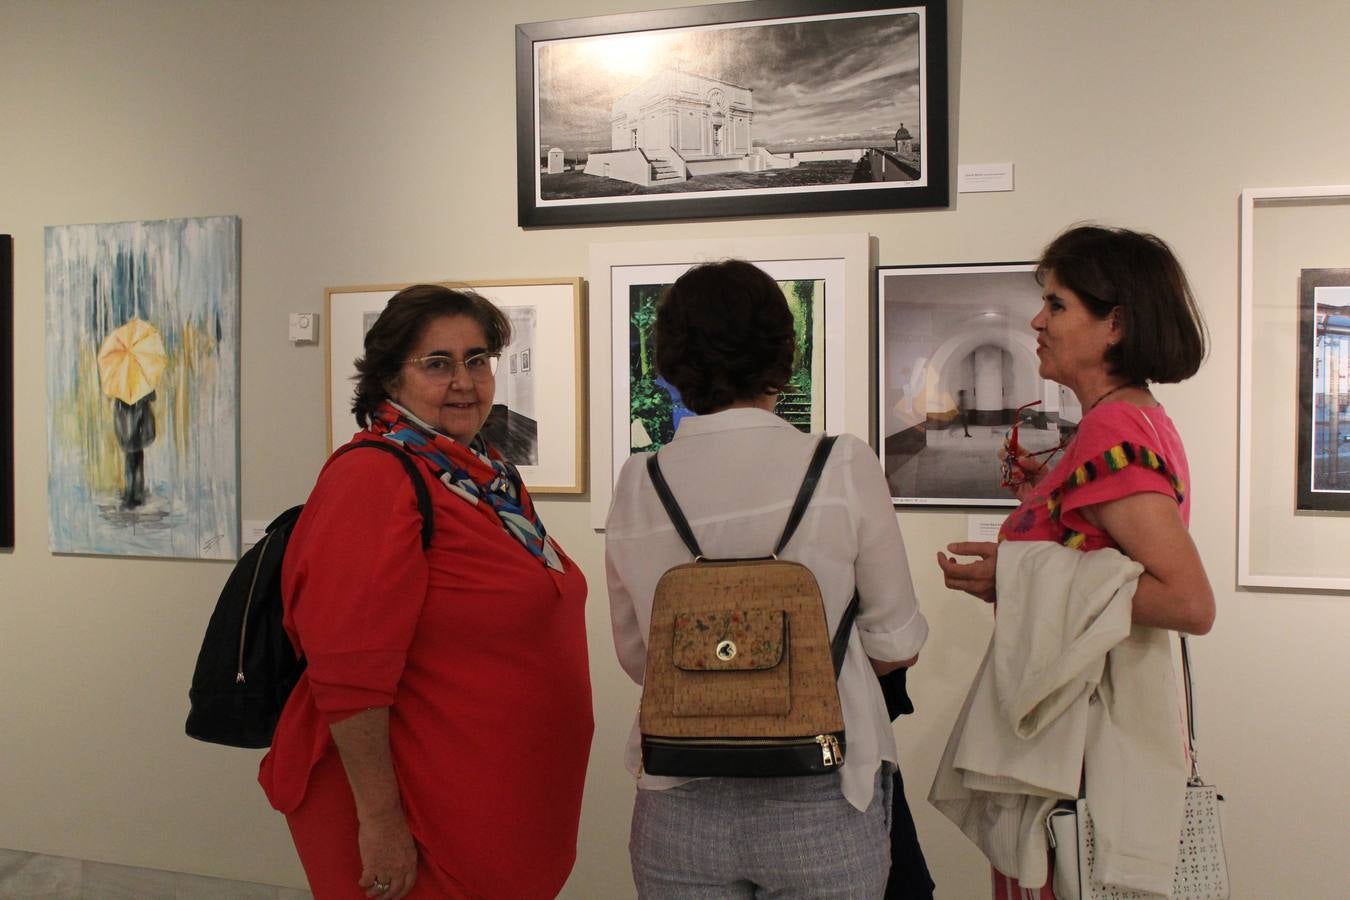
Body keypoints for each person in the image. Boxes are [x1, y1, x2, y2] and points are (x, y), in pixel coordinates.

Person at [606, 259, 930, 899]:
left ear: (671, 359)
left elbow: (640, 657)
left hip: (678, 793)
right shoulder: (841, 464)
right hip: (823, 790)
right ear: (786, 352)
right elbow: (896, 645)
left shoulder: (639, 481)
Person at [258, 284, 593, 899]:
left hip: (491, 804)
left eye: (478, 359)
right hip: (422, 812)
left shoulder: (481, 475)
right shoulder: (373, 478)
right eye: (438, 364)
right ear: (388, 378)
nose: (465, 381)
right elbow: (347, 672)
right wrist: (381, 823)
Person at [935, 225, 1215, 898]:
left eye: (1057, 305)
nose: (1038, 319)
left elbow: (1187, 601)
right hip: (1079, 743)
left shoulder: (1113, 432)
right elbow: (1106, 553)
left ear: (1114, 324)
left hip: (1079, 755)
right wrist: (1043, 500)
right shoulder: (1135, 419)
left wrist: (1016, 572)